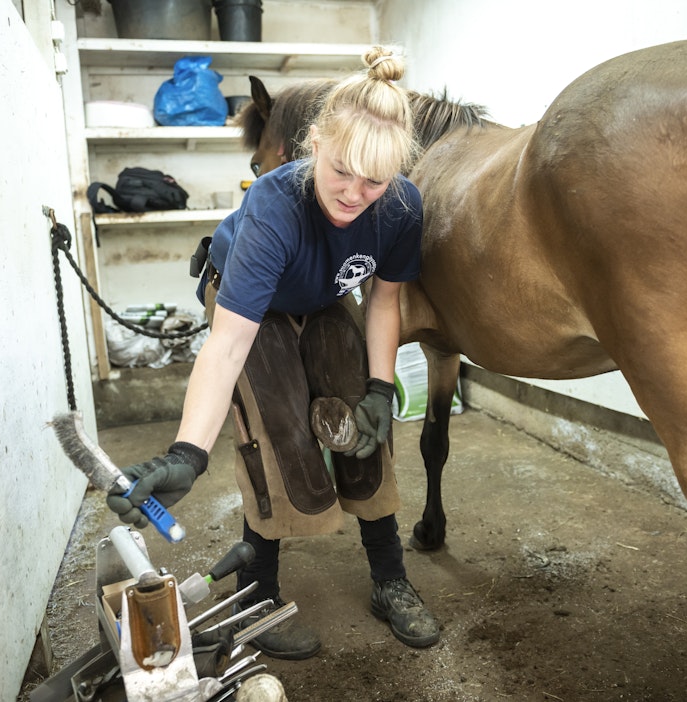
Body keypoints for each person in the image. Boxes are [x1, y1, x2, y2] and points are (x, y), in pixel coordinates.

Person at [105, 46, 440, 660]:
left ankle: (389, 577)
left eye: (375, 178)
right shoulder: (276, 206)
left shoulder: (398, 207)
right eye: (341, 170)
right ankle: (257, 600)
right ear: (312, 144)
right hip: (248, 303)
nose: (354, 193)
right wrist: (188, 452)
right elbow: (229, 342)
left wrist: (378, 390)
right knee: (278, 424)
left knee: (363, 425)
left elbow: (384, 302)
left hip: (321, 296)